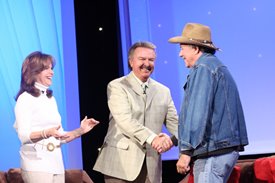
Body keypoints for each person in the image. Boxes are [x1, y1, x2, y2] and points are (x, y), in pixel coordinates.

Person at [168, 23, 249, 183]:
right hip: (219, 149)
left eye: (182, 48)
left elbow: (197, 115)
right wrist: (174, 140)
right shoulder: (214, 66)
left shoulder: (204, 68)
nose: (180, 54)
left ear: (196, 49)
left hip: (213, 152)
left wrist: (185, 152)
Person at [93, 41, 178, 183]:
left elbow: (175, 123)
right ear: (131, 62)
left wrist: (172, 140)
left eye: (151, 60)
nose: (147, 63)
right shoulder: (117, 86)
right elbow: (125, 120)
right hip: (120, 165)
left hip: (152, 167)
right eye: (142, 59)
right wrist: (154, 139)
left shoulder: (163, 91)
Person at [13, 51, 100, 183]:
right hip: (36, 164)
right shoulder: (25, 98)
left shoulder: (50, 99)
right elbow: (23, 135)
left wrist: (80, 130)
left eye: (51, 68)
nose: (52, 72)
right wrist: (46, 132)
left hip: (56, 163)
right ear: (34, 72)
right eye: (46, 68)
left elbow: (60, 136)